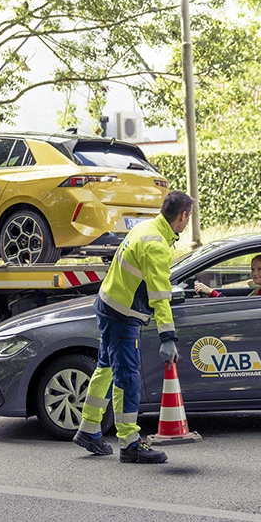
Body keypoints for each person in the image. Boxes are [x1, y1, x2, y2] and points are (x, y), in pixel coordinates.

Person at [72, 190, 194, 464]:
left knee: (105, 369)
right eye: (188, 218)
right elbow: (159, 297)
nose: (187, 223)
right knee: (127, 378)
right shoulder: (157, 246)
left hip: (108, 304)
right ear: (183, 216)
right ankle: (129, 443)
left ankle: (89, 429)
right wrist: (168, 337)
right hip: (122, 315)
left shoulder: (146, 228)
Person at [194, 254, 261, 298]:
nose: (255, 273)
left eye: (260, 269)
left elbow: (242, 309)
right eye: (253, 269)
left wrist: (210, 291)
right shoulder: (259, 290)